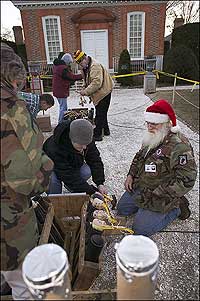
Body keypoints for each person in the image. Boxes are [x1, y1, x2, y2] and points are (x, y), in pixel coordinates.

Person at [1, 43, 53, 300]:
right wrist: (46, 171)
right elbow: (26, 180)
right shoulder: (12, 110)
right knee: (26, 287)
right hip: (8, 222)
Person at [117, 99, 197, 237]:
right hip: (143, 186)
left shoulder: (179, 146)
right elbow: (139, 156)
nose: (149, 127)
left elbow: (187, 180)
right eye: (148, 123)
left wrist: (159, 192)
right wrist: (130, 175)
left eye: (154, 123)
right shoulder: (153, 136)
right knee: (122, 209)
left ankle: (178, 207)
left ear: (167, 123)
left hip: (161, 193)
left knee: (140, 230)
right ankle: (146, 207)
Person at [43, 118, 107, 195]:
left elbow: (95, 160)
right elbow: (67, 175)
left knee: (86, 171)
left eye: (86, 144)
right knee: (53, 180)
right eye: (81, 145)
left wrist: (100, 183)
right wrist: (91, 192)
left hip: (68, 164)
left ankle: (71, 187)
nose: (84, 147)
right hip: (50, 166)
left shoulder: (86, 138)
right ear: (71, 139)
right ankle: (54, 198)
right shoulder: (55, 148)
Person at [74, 50, 114, 141]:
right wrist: (84, 87)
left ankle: (97, 135)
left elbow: (96, 83)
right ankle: (106, 131)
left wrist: (85, 92)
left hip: (104, 91)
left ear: (84, 59)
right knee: (102, 112)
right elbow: (88, 79)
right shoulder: (87, 66)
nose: (80, 66)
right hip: (102, 91)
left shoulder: (95, 66)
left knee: (100, 113)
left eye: (80, 64)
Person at [52, 52, 82, 123]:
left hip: (58, 91)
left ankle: (63, 121)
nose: (69, 65)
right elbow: (71, 77)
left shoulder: (58, 67)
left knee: (63, 107)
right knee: (63, 108)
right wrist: (82, 76)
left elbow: (66, 78)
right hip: (61, 91)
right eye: (69, 63)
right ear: (66, 61)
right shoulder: (63, 68)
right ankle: (61, 123)